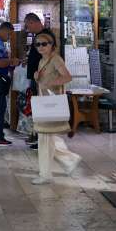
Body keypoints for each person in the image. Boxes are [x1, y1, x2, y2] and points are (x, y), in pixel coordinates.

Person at [31, 30, 80, 183]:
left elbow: (67, 77)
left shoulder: (55, 59)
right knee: (48, 137)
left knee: (45, 139)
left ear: (51, 45)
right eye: (37, 44)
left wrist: (51, 83)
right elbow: (43, 80)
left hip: (51, 103)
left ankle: (45, 175)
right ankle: (69, 160)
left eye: (44, 44)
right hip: (44, 102)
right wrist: (37, 77)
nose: (40, 47)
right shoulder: (42, 61)